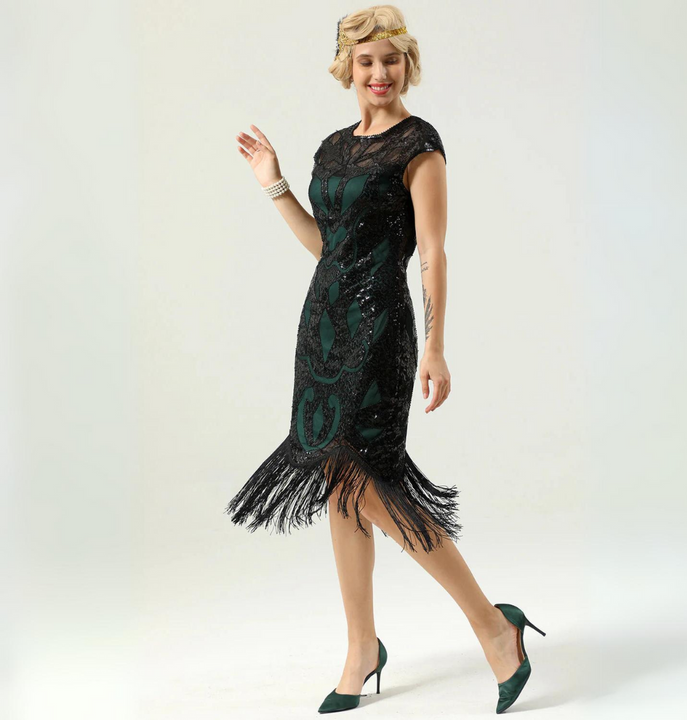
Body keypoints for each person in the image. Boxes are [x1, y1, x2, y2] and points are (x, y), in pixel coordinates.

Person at [227, 6, 546, 715]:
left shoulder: (418, 146)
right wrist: (275, 184)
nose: (379, 73)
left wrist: (435, 345)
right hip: (322, 330)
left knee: (369, 480)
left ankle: (493, 626)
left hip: (380, 333)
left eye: (392, 60)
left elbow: (431, 253)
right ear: (348, 67)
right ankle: (361, 646)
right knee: (340, 484)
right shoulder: (331, 149)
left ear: (408, 65)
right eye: (367, 61)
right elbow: (328, 249)